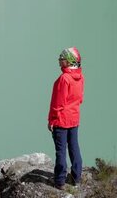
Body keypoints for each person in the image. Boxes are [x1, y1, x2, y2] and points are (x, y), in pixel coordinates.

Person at [48, 47, 85, 190]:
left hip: (61, 120)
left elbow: (58, 103)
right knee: (74, 147)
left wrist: (52, 120)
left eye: (61, 58)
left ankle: (60, 181)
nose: (59, 61)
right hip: (74, 119)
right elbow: (80, 98)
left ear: (68, 61)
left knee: (61, 151)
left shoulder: (64, 79)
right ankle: (76, 178)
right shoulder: (80, 77)